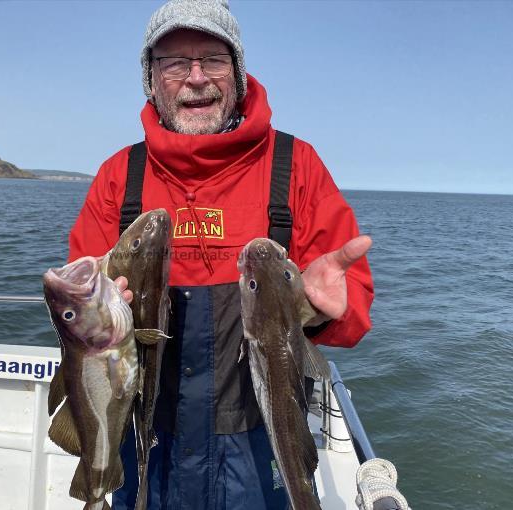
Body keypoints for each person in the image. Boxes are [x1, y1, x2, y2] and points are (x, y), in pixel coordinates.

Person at [68, 1, 374, 508]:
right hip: (147, 441)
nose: (195, 78)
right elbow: (78, 312)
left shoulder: (296, 165)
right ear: (150, 79)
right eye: (173, 63)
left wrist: (317, 310)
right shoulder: (119, 177)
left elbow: (354, 305)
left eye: (213, 59)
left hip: (257, 447)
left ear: (238, 73)